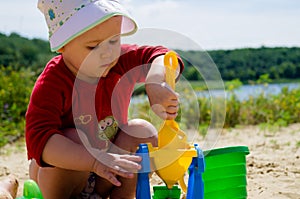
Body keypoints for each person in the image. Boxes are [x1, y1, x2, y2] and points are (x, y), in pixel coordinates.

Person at [26, 0, 183, 198]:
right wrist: (94, 160)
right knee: (74, 137)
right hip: (63, 178)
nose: (107, 53)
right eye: (92, 47)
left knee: (143, 132)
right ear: (62, 46)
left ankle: (123, 195)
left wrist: (156, 80)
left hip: (108, 172)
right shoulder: (54, 81)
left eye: (113, 40)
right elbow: (40, 138)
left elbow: (162, 55)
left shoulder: (119, 62)